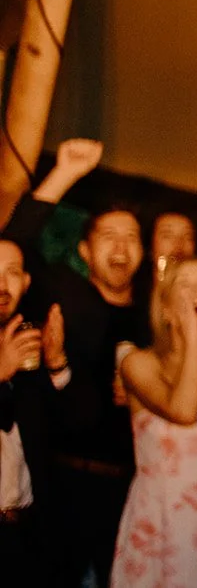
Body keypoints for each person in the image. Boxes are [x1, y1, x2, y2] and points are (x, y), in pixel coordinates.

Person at [2, 139, 154, 587]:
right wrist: (65, 173)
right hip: (58, 486)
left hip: (132, 491)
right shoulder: (64, 296)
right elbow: (16, 244)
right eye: (108, 237)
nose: (121, 247)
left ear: (143, 252)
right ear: (86, 252)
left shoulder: (155, 320)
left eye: (131, 238)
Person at [111, 257, 197, 586]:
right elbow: (183, 411)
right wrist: (191, 336)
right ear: (164, 307)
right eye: (185, 285)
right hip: (157, 516)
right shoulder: (138, 364)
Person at [0, 240, 67, 584]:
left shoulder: (26, 345)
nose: (1, 285)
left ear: (26, 283)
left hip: (26, 535)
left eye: (11, 272)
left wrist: (56, 364)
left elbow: (65, 434)